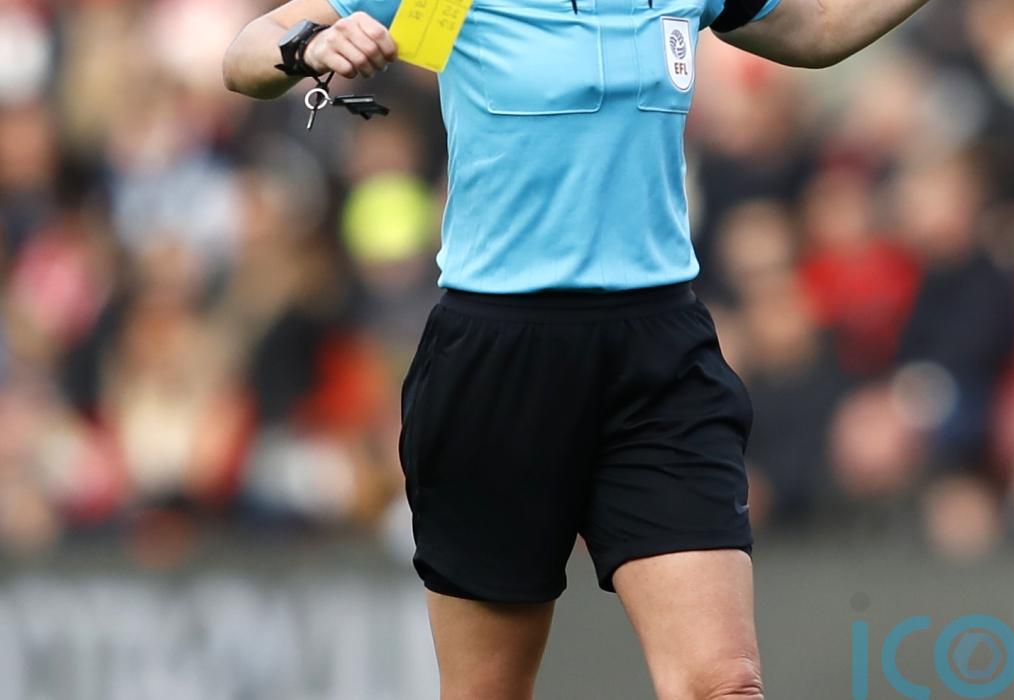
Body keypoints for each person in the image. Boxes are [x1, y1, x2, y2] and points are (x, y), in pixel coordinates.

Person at [223, 0, 930, 696]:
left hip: (660, 355)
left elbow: (820, 26)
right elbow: (248, 50)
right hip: (497, 359)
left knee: (725, 683)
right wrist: (309, 46)